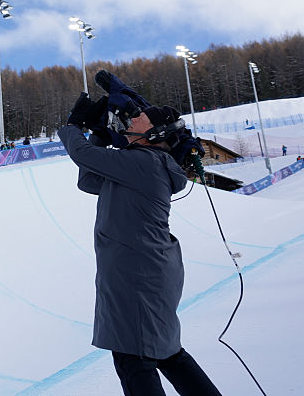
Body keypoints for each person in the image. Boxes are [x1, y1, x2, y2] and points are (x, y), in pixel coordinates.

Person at [60, 95, 221, 396]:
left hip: (137, 275)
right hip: (144, 271)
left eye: (139, 119)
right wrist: (99, 134)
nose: (131, 121)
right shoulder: (142, 165)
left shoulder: (143, 163)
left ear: (155, 134)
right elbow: (88, 180)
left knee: (133, 357)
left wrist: (73, 126)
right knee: (167, 354)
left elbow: (82, 155)